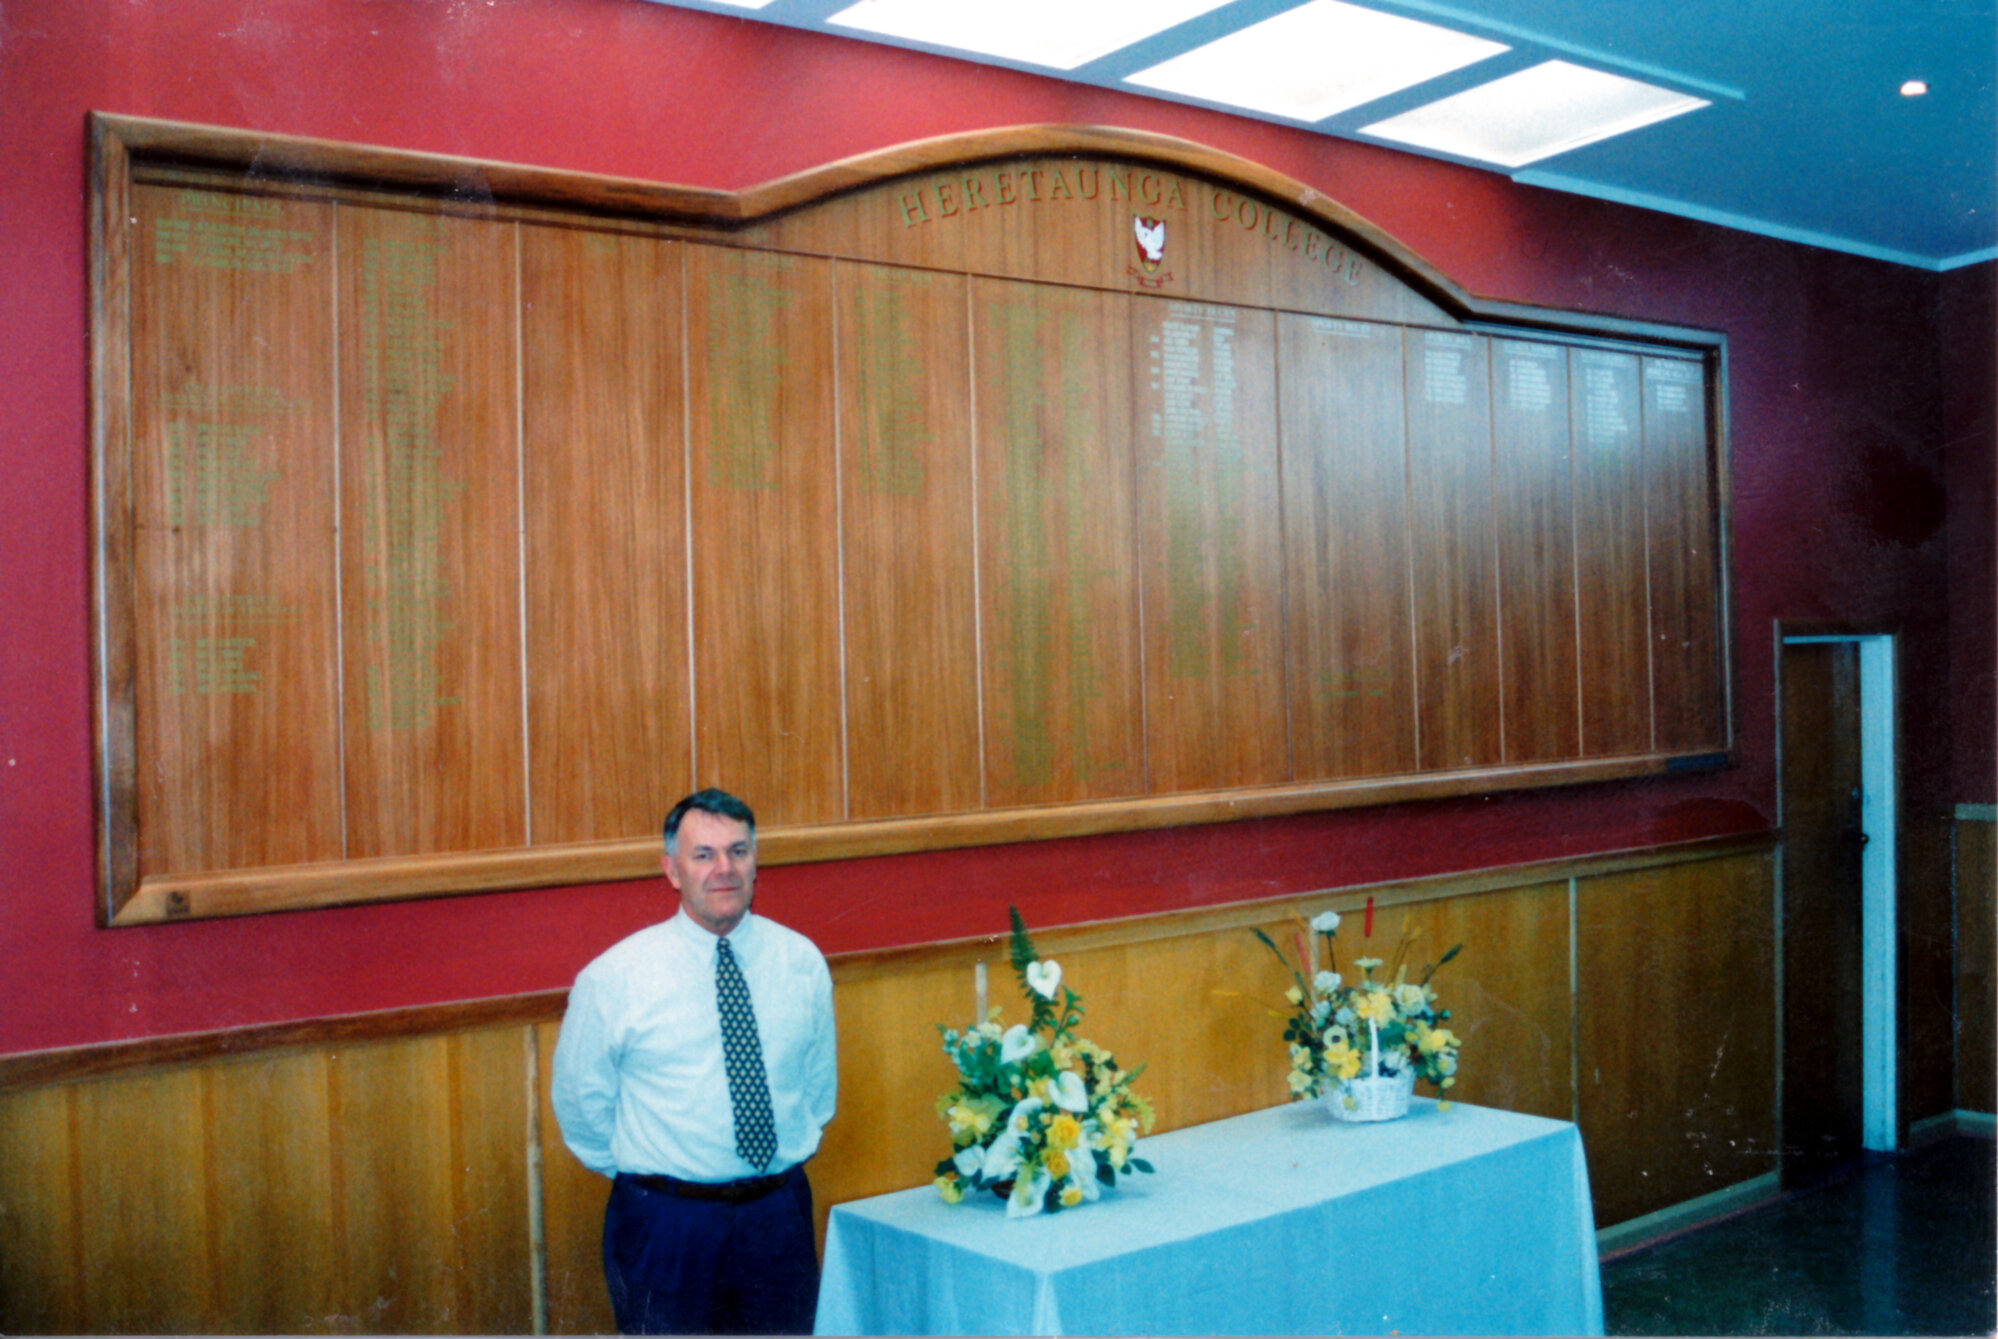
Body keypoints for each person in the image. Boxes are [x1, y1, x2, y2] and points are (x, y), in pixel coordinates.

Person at [551, 788, 837, 1335]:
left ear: (757, 862)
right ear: (672, 870)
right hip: (666, 1227)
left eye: (738, 851)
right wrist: (654, 1180)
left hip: (777, 1219)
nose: (723, 869)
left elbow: (817, 1091)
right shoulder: (616, 978)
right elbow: (581, 1108)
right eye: (703, 855)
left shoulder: (800, 961)